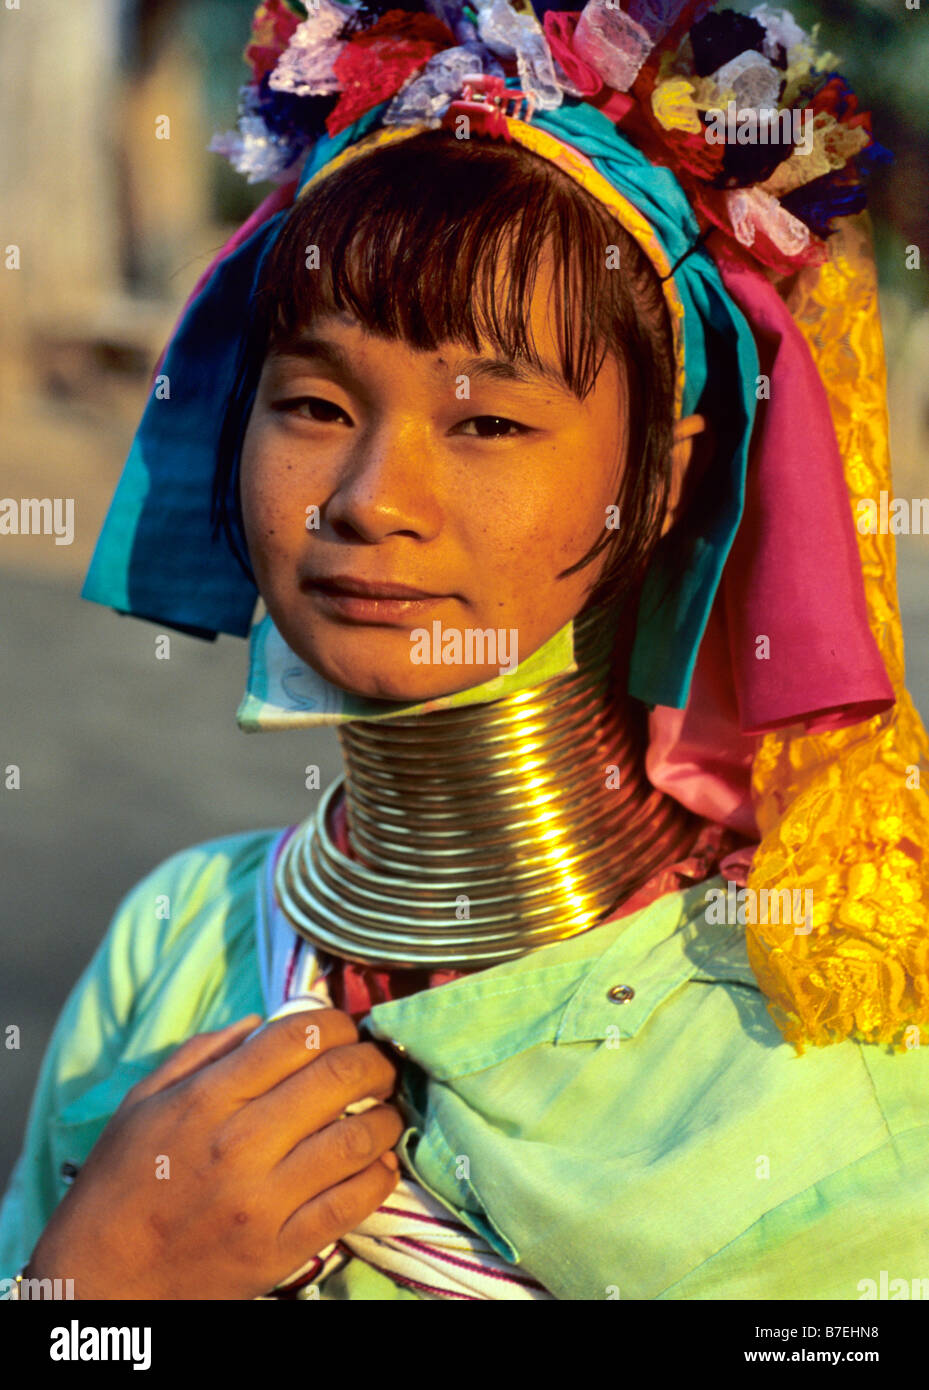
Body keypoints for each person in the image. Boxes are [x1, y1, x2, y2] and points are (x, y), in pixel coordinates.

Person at [2, 0, 928, 1301]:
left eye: (488, 421)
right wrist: (90, 1290)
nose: (371, 496)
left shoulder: (828, 1053)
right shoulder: (180, 942)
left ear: (667, 479)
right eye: (316, 404)